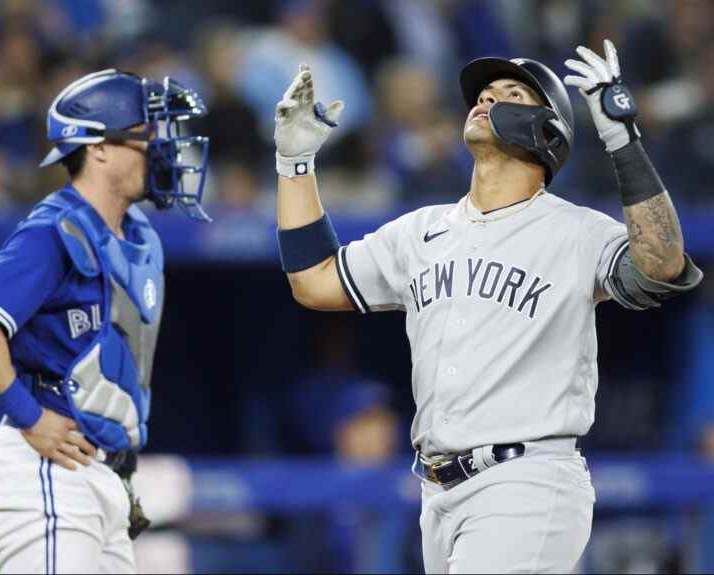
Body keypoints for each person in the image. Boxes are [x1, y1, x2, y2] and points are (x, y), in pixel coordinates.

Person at [272, 39, 703, 573]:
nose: (485, 99)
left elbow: (662, 263)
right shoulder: (420, 231)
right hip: (437, 491)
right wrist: (294, 166)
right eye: (482, 93)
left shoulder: (576, 231)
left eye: (510, 94)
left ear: (548, 131)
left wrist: (621, 137)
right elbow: (314, 281)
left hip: (527, 480)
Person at [0, 68, 211, 573]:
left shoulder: (140, 236)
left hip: (102, 480)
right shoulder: (54, 231)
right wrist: (30, 417)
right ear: (100, 148)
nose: (160, 149)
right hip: (45, 470)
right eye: (145, 136)